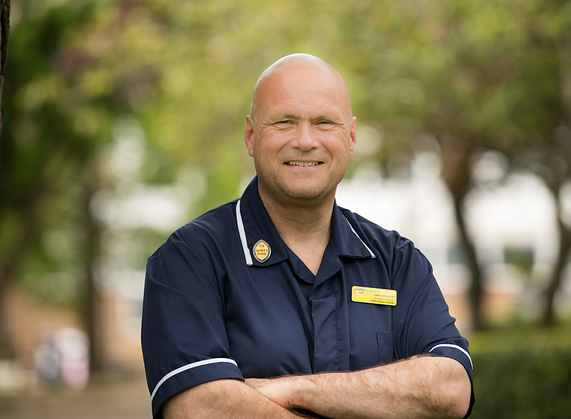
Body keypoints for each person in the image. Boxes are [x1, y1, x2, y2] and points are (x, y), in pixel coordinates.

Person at [141, 53, 474, 419]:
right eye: (284, 122)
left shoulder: (396, 261)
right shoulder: (189, 259)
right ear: (252, 136)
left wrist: (289, 388)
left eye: (324, 123)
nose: (304, 140)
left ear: (350, 137)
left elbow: (449, 390)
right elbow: (199, 409)